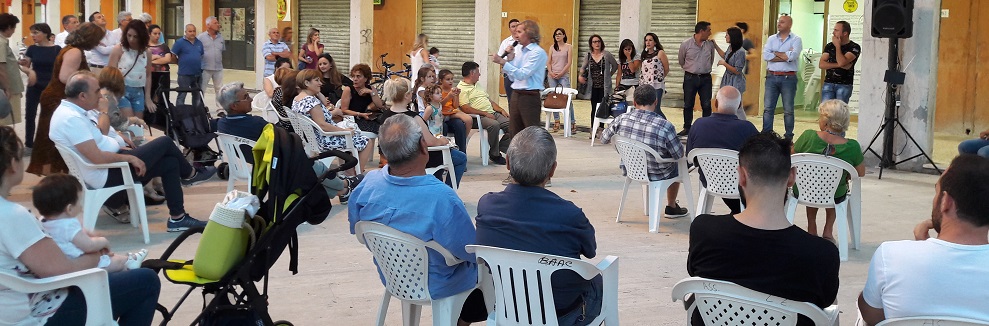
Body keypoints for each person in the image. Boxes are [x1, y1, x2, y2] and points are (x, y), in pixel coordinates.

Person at [0, 126, 161, 326]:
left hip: (16, 307)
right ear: (12, 166)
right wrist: (97, 255)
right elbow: (60, 271)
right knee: (146, 281)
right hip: (36, 315)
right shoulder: (11, 216)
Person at [347, 113, 486, 325]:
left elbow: (357, 230)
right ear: (423, 146)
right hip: (441, 284)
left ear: (384, 151)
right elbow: (470, 251)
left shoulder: (368, 185)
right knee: (492, 273)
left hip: (394, 276)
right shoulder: (442, 197)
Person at [687, 131, 839, 326]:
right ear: (792, 176)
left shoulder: (704, 231)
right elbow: (825, 304)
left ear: (741, 175)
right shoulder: (822, 254)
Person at [50, 72, 215, 231]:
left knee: (170, 164)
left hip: (111, 168)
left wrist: (119, 140)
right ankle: (190, 174)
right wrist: (129, 158)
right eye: (96, 91)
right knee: (164, 142)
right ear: (82, 96)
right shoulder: (71, 119)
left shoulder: (74, 112)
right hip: (108, 175)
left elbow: (100, 136)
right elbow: (97, 158)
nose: (101, 96)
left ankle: (177, 218)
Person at [475, 126, 601, 325]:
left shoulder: (487, 205)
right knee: (599, 279)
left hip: (509, 308)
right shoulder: (570, 214)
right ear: (552, 169)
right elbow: (591, 252)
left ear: (507, 162)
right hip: (562, 313)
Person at [858, 155, 989, 324]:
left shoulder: (891, 255)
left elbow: (871, 316)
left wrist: (921, 250)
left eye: (936, 192)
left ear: (946, 202)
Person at [215, 82, 362, 203]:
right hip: (274, 165)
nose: (251, 99)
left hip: (256, 166)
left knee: (310, 169)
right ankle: (345, 185)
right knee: (312, 167)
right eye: (246, 97)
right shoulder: (255, 123)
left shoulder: (222, 124)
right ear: (234, 106)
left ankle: (343, 190)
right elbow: (283, 137)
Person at [28, 22, 105, 176]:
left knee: (49, 139)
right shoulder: (75, 52)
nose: (98, 43)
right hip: (56, 98)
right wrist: (88, 83)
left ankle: (54, 175)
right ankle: (55, 176)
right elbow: (65, 77)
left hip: (55, 96)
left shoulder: (71, 49)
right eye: (97, 40)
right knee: (53, 142)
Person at [600, 84, 688, 217]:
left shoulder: (621, 119)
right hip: (658, 172)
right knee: (679, 163)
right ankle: (671, 205)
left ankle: (668, 206)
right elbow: (678, 154)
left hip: (632, 169)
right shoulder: (664, 125)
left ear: (634, 102)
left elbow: (603, 138)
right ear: (656, 102)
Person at [34, 174, 149, 272]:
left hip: (63, 261)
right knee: (115, 262)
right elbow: (88, 246)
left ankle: (129, 259)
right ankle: (129, 262)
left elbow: (80, 235)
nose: (81, 204)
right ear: (69, 209)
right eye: (79, 200)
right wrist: (104, 242)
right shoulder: (67, 225)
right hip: (82, 264)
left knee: (110, 257)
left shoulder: (43, 220)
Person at [792, 99, 865, 242]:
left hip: (805, 190)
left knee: (813, 184)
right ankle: (828, 230)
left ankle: (811, 228)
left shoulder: (808, 136)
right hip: (835, 193)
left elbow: (791, 156)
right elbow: (860, 172)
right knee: (836, 187)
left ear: (826, 121)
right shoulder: (852, 147)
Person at [379, 79, 466, 187]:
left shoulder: (384, 117)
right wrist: (442, 140)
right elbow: (430, 141)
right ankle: (448, 191)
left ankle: (435, 188)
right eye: (411, 91)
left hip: (393, 159)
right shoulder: (413, 117)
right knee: (461, 158)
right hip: (415, 158)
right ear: (407, 95)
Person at [685, 86, 758, 214]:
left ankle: (736, 211)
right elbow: (759, 158)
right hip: (740, 184)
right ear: (740, 105)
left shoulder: (698, 125)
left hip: (710, 180)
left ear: (716, 103)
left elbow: (691, 158)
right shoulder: (748, 129)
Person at [292, 69, 371, 174]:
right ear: (307, 83)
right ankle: (357, 174)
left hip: (313, 139)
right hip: (324, 140)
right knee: (366, 141)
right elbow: (322, 125)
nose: (320, 83)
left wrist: (318, 92)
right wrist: (343, 130)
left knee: (352, 137)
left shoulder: (298, 99)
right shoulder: (311, 101)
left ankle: (350, 172)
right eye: (317, 80)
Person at [493, 20, 547, 139]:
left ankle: (534, 157)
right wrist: (510, 59)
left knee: (531, 133)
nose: (516, 35)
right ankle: (515, 156)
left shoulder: (537, 52)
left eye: (519, 31)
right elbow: (513, 77)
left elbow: (523, 74)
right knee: (515, 132)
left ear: (529, 34)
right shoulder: (520, 51)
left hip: (529, 96)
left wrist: (502, 62)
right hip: (516, 94)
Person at [458, 61, 511, 165]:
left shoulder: (478, 85)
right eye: (478, 72)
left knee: (513, 125)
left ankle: (499, 147)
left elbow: (489, 101)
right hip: (477, 117)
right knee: (494, 125)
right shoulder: (461, 88)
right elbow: (466, 108)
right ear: (472, 73)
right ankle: (495, 155)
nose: (480, 74)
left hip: (492, 113)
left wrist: (501, 110)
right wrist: (485, 113)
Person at [21, 23, 61, 152]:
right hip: (34, 85)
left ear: (45, 33)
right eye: (32, 33)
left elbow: (61, 68)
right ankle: (29, 144)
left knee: (50, 115)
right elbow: (25, 65)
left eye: (36, 33)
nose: (33, 36)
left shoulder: (57, 49)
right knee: (30, 115)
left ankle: (49, 144)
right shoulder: (32, 48)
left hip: (51, 86)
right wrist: (29, 71)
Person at [762, 15, 803, 141]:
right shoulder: (771, 39)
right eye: (779, 21)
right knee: (768, 108)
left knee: (788, 110)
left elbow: (793, 56)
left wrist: (775, 53)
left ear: (789, 25)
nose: (779, 24)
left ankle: (788, 137)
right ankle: (766, 134)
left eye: (782, 22)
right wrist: (785, 54)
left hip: (788, 78)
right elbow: (765, 55)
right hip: (771, 77)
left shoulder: (796, 39)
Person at [107, 20, 154, 120]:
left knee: (138, 126)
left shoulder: (147, 52)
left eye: (135, 36)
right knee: (130, 123)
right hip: (121, 90)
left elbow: (148, 75)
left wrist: (148, 97)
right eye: (129, 35)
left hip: (138, 90)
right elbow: (110, 74)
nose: (131, 39)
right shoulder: (119, 49)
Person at [678, 21, 716, 136]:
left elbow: (711, 60)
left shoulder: (710, 45)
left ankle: (706, 129)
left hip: (706, 78)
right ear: (701, 31)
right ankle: (687, 128)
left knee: (706, 104)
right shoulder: (686, 44)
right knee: (688, 104)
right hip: (690, 78)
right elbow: (681, 60)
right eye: (708, 30)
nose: (710, 33)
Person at [577, 34, 618, 131]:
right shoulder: (589, 55)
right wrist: (580, 76)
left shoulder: (606, 55)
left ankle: (600, 129)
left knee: (603, 107)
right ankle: (593, 128)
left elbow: (615, 65)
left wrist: (609, 75)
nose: (597, 43)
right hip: (593, 86)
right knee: (594, 107)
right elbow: (583, 67)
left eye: (598, 41)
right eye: (594, 42)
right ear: (591, 44)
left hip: (604, 87)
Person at [819, 20, 860, 104]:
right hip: (828, 83)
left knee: (840, 112)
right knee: (826, 112)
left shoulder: (854, 47)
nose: (833, 33)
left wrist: (838, 46)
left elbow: (842, 61)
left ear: (845, 33)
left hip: (844, 85)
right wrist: (840, 65)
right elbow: (821, 64)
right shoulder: (829, 46)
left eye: (836, 30)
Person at [340, 63, 384, 137]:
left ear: (366, 78)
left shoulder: (371, 88)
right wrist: (360, 114)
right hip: (355, 119)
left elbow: (379, 105)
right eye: (353, 76)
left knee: (387, 126)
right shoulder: (349, 90)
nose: (355, 79)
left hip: (371, 117)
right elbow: (344, 110)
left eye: (358, 76)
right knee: (380, 130)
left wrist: (371, 93)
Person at [715, 27, 748, 120]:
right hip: (727, 79)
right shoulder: (730, 48)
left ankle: (742, 123)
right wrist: (715, 45)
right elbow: (725, 56)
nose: (725, 36)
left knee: (738, 107)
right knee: (725, 104)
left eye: (727, 35)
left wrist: (724, 64)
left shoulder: (740, 52)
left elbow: (737, 70)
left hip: (736, 81)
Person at [546, 27, 574, 130]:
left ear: (564, 35)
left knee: (567, 99)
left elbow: (569, 62)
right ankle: (556, 121)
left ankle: (572, 122)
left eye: (559, 34)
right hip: (552, 76)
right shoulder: (552, 47)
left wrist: (561, 73)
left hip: (563, 76)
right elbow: (548, 62)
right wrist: (551, 72)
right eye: (556, 34)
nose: (557, 36)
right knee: (554, 99)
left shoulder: (568, 47)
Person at [0, 14, 24, 128]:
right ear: (9, 27)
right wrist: (7, 88)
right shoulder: (1, 42)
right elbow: (1, 67)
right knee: (5, 120)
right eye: (14, 28)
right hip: (6, 88)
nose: (14, 31)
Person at [437, 69, 470, 152]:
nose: (450, 81)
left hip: (450, 114)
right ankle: (443, 152)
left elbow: (455, 106)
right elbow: (438, 105)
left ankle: (462, 150)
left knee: (460, 124)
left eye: (452, 79)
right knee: (443, 126)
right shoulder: (438, 90)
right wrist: (448, 96)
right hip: (441, 115)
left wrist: (456, 96)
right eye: (448, 79)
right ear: (441, 80)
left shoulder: (452, 90)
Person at [170, 24, 204, 106]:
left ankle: (196, 114)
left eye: (194, 31)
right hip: (184, 75)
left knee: (197, 95)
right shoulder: (179, 43)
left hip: (197, 74)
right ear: (185, 32)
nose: (192, 33)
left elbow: (201, 55)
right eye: (190, 31)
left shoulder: (199, 43)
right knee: (182, 95)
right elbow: (172, 56)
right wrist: (179, 63)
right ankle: (179, 113)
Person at [639, 32, 669, 112]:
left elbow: (666, 68)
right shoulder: (644, 54)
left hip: (657, 85)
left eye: (650, 40)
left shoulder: (660, 53)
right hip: (646, 86)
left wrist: (659, 78)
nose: (648, 42)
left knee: (656, 108)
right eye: (646, 40)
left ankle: (665, 123)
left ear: (655, 42)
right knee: (647, 108)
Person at [198, 16, 224, 98]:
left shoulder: (221, 37)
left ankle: (220, 109)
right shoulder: (200, 38)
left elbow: (222, 50)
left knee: (219, 89)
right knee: (202, 89)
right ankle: (200, 108)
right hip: (205, 68)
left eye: (217, 23)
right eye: (215, 23)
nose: (218, 25)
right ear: (208, 25)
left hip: (218, 68)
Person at [148, 24, 171, 109]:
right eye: (155, 33)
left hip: (163, 74)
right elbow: (143, 61)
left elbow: (167, 59)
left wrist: (151, 60)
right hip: (150, 74)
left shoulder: (164, 46)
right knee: (150, 95)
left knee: (163, 97)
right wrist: (156, 57)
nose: (157, 36)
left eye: (159, 34)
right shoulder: (145, 47)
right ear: (149, 34)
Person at [498, 19, 521, 102]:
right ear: (509, 29)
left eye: (517, 26)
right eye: (513, 26)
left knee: (522, 101)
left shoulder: (526, 42)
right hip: (509, 75)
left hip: (522, 76)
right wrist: (509, 58)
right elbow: (500, 59)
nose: (515, 28)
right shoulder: (505, 42)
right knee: (511, 100)